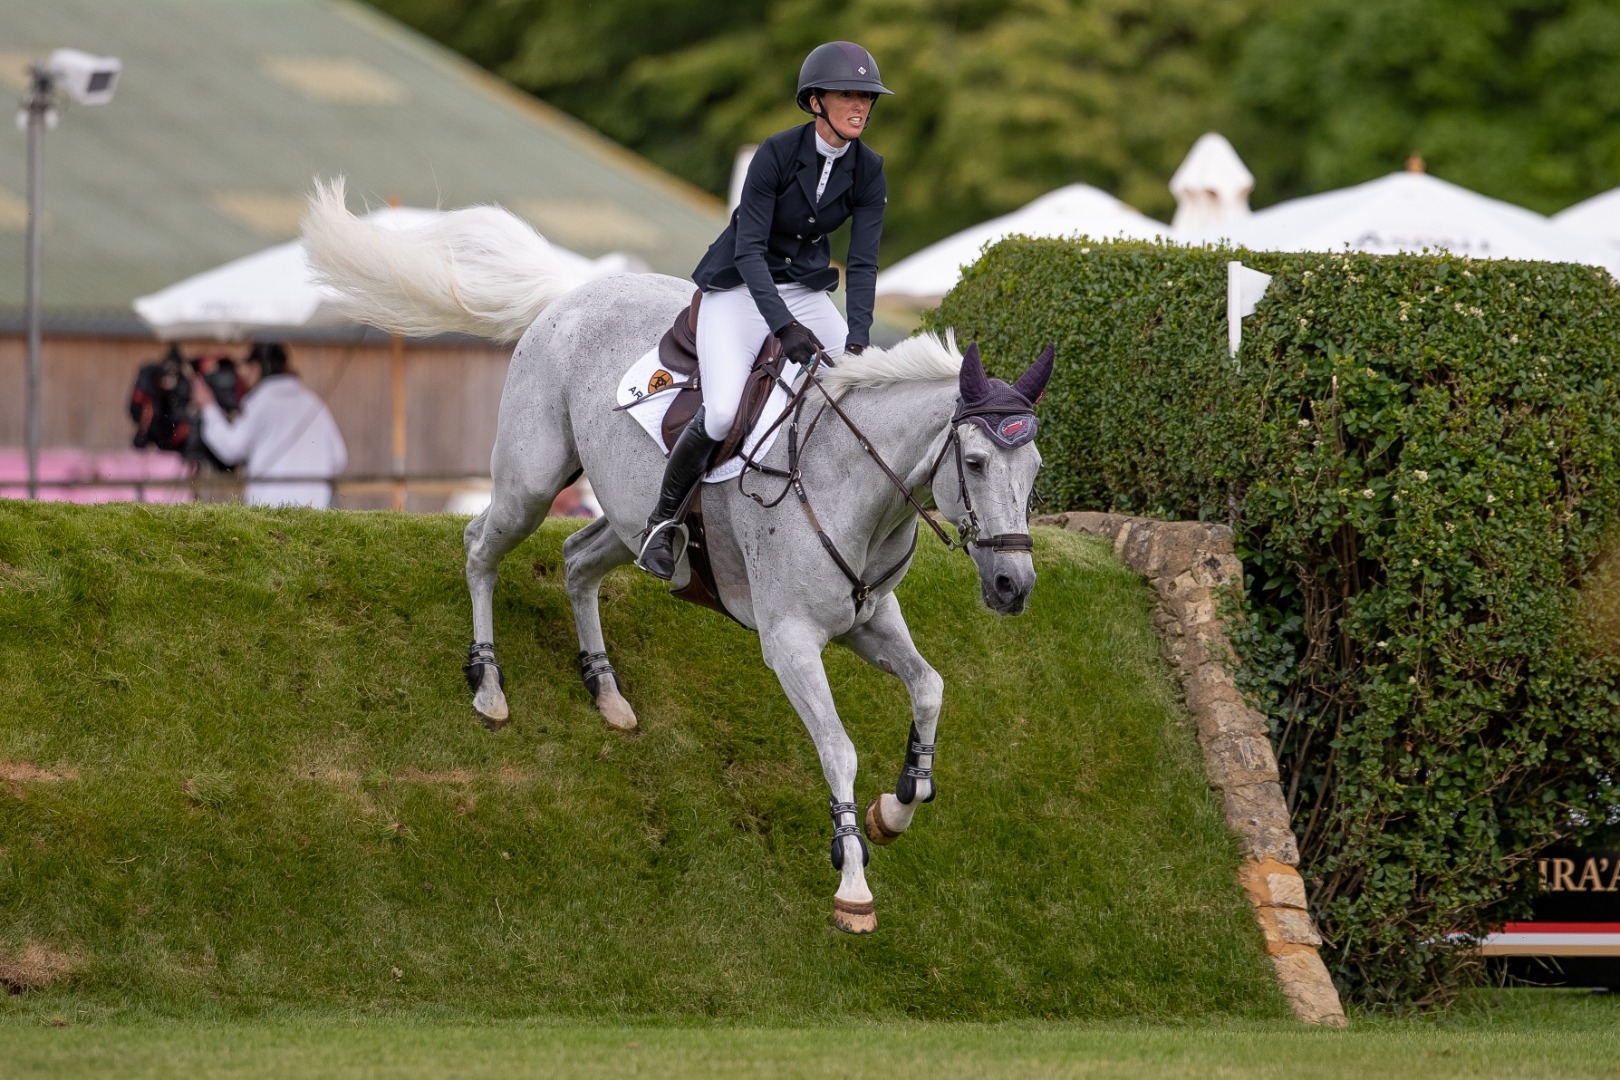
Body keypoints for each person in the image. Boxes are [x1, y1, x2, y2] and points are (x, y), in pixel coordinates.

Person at [636, 41, 892, 578]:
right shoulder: (775, 154)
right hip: (738, 290)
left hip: (804, 291)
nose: (860, 106)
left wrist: (858, 341)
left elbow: (863, 264)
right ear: (816, 101)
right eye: (848, 94)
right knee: (722, 412)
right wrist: (784, 327)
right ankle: (662, 522)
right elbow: (749, 251)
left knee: (862, 389)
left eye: (867, 97)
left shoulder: (869, 170)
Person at [190, 341, 348, 508]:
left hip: (270, 511)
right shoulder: (314, 403)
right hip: (315, 510)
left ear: (257, 368)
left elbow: (231, 448)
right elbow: (339, 459)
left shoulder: (261, 403)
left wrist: (208, 407)